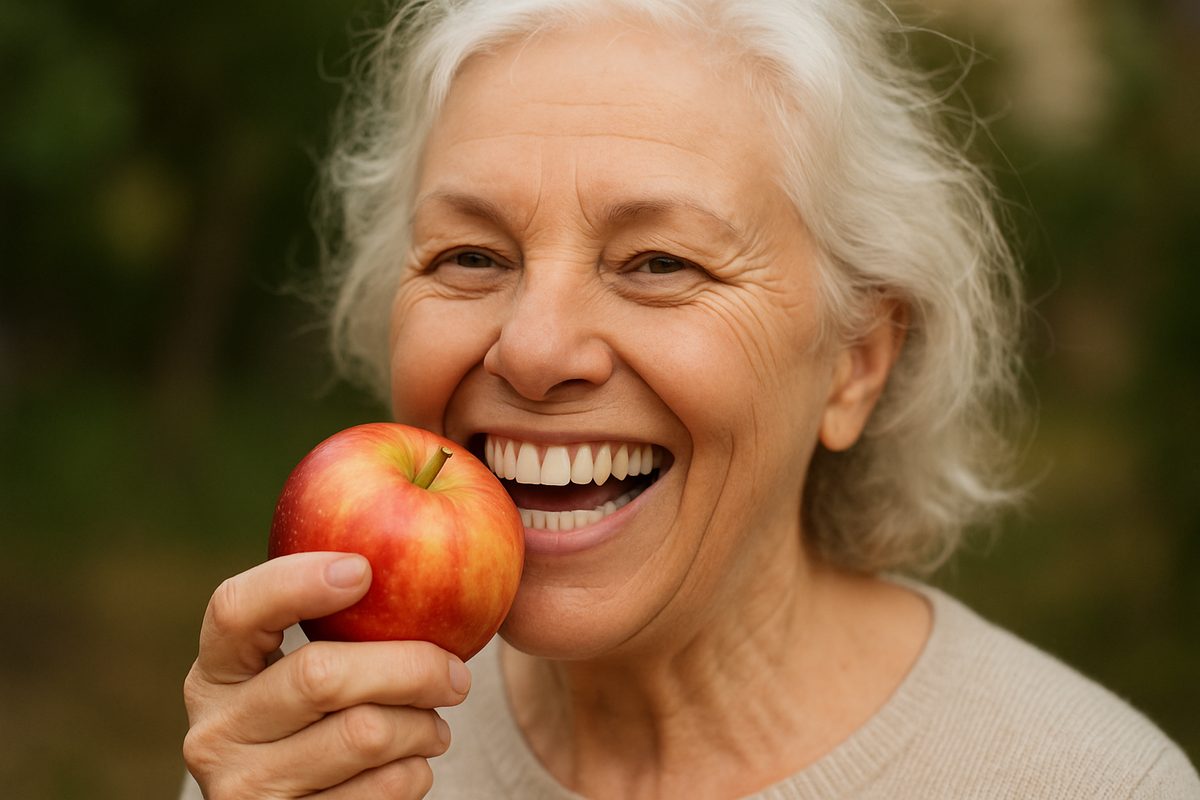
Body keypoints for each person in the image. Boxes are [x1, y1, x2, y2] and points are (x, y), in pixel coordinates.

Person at [180, 0, 1200, 797]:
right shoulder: (315, 744)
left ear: (856, 361)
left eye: (660, 261)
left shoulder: (1096, 782)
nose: (534, 349)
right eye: (472, 255)